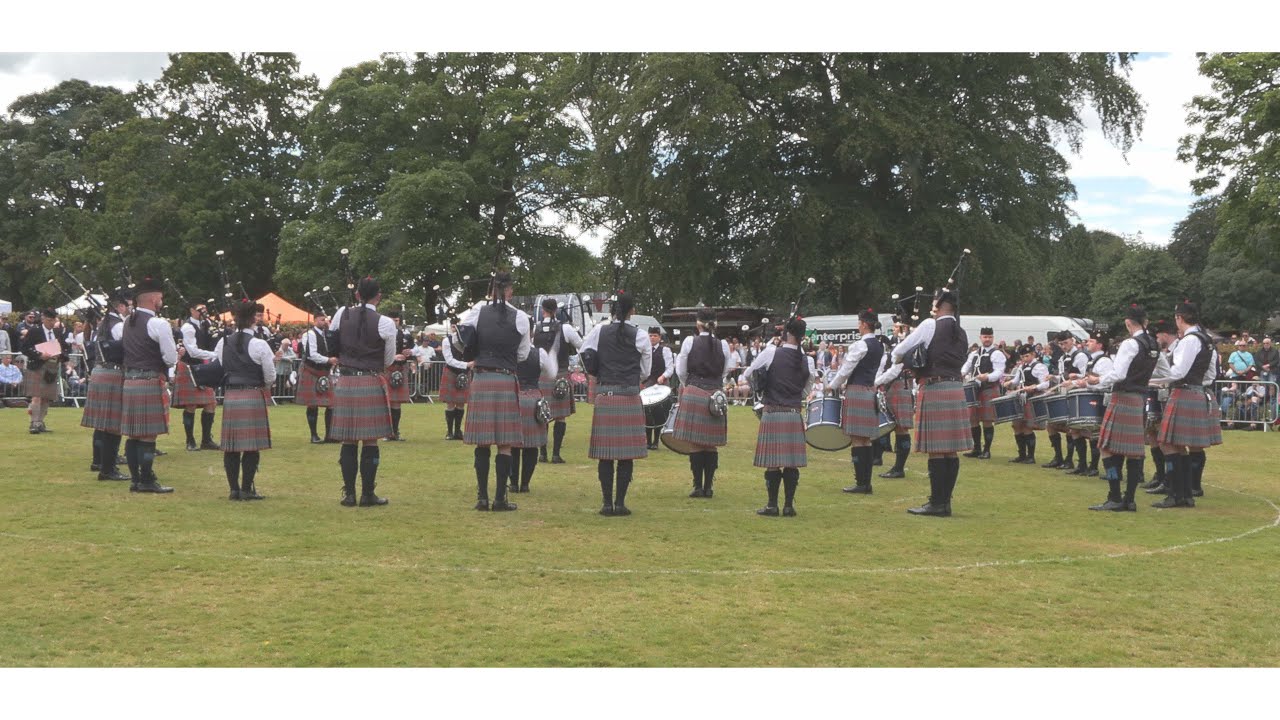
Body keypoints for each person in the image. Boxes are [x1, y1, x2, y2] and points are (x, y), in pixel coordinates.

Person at [891, 289, 971, 517]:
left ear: (940, 304)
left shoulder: (930, 324)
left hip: (935, 388)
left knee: (936, 450)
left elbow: (898, 351)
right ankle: (945, 502)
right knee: (951, 451)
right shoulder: (962, 332)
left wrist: (908, 359)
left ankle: (936, 503)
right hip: (955, 388)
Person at [457, 271, 531, 512]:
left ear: (492, 289)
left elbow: (460, 340)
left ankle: (482, 498)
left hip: (481, 378)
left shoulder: (478, 311)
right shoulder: (521, 317)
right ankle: (500, 498)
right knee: (505, 443)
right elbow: (523, 354)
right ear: (509, 290)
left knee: (482, 442)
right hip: (506, 378)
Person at [580, 294, 652, 516]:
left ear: (612, 311)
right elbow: (646, 371)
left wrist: (596, 370)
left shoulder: (599, 331)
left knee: (605, 453)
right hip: (629, 394)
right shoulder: (641, 335)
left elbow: (584, 353)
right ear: (632, 310)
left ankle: (606, 503)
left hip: (606, 394)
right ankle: (620, 503)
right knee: (626, 454)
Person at [329, 276, 396, 507]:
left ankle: (349, 495)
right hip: (370, 379)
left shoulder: (341, 314)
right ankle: (368, 494)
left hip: (346, 382)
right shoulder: (386, 322)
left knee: (348, 441)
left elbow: (332, 345)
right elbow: (388, 359)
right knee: (370, 441)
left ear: (357, 295)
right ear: (379, 296)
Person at [1152, 301, 1221, 508]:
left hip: (1184, 393)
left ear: (1179, 318)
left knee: (1166, 443)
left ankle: (1176, 493)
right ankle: (1184, 494)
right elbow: (1210, 373)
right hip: (1196, 392)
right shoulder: (1206, 339)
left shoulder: (1189, 340)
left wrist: (1152, 380)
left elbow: (1178, 372)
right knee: (1179, 445)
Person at [743, 317, 812, 516]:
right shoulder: (807, 359)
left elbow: (749, 373)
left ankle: (772, 505)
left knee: (772, 462)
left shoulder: (771, 352)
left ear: (787, 333)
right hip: (793, 413)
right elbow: (807, 389)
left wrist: (762, 387)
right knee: (791, 462)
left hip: (773, 412)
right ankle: (789, 506)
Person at [119, 277, 178, 493]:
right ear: (154, 299)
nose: (161, 301)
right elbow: (170, 358)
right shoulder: (158, 323)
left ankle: (136, 480)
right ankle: (146, 480)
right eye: (160, 298)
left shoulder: (127, 322)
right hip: (149, 380)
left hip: (130, 382)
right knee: (148, 434)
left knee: (133, 433)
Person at [215, 300, 277, 501]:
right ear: (253, 320)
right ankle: (247, 489)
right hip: (252, 394)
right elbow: (270, 376)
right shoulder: (260, 344)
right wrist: (263, 386)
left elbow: (221, 366)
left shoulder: (223, 342)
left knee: (231, 446)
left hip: (231, 395)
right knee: (252, 446)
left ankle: (233, 490)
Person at [673, 307, 731, 499]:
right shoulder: (723, 344)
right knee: (711, 443)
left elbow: (681, 370)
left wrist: (688, 386)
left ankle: (698, 486)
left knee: (696, 443)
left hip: (694, 391)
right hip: (716, 394)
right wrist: (715, 384)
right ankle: (708, 487)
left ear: (697, 323)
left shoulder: (690, 341)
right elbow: (725, 370)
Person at [826, 309, 883, 495]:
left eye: (859, 323)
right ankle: (866, 482)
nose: (858, 326)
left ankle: (861, 483)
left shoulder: (860, 345)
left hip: (857, 392)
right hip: (870, 391)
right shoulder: (879, 346)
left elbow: (845, 370)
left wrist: (832, 386)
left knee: (857, 440)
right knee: (865, 440)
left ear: (865, 324)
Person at [80, 289, 131, 481]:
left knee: (102, 422)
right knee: (113, 423)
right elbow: (128, 348)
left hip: (100, 372)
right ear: (119, 306)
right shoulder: (117, 325)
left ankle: (98, 461)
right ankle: (108, 469)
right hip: (113, 372)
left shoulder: (104, 323)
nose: (128, 309)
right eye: (127, 305)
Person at [533, 297, 584, 463]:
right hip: (560, 375)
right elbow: (580, 345)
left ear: (543, 310)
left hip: (541, 376)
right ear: (556, 310)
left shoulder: (537, 328)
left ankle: (542, 453)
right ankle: (555, 454)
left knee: (542, 414)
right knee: (560, 416)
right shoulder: (566, 328)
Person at [508, 324, 557, 494]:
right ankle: (525, 484)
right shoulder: (540, 353)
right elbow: (551, 373)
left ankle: (513, 483)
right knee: (532, 445)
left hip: (514, 397)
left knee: (512, 444)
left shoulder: (509, 352)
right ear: (531, 333)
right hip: (534, 398)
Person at [173, 301, 220, 452]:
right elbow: (192, 351)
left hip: (204, 366)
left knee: (210, 404)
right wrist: (214, 354)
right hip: (189, 366)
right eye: (200, 309)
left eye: (205, 309)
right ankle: (190, 440)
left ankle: (206, 440)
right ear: (192, 310)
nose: (203, 312)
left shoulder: (206, 324)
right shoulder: (188, 327)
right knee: (191, 405)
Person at [20, 308, 70, 434]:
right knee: (36, 397)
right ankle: (34, 423)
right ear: (43, 319)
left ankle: (41, 422)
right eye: (49, 320)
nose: (52, 323)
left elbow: (64, 348)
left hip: (52, 367)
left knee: (46, 398)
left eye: (54, 320)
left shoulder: (58, 332)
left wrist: (62, 356)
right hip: (38, 366)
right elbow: (24, 348)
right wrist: (39, 354)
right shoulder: (34, 331)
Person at [874, 327, 915, 479]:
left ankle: (899, 468)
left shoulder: (905, 348)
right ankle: (880, 458)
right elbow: (884, 369)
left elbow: (894, 371)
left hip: (900, 388)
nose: (894, 329)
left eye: (897, 327)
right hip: (890, 390)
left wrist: (875, 383)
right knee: (887, 425)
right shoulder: (891, 351)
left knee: (901, 429)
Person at [961, 326, 1006, 459]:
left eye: (990, 337)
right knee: (972, 420)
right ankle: (976, 448)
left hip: (989, 388)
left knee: (987, 420)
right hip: (974, 389)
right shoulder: (974, 354)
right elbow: (967, 366)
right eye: (985, 337)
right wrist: (962, 373)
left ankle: (987, 450)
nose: (987, 339)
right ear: (980, 337)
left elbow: (999, 372)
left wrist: (987, 377)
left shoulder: (996, 353)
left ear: (993, 338)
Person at [296, 311, 338, 443]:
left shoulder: (327, 334)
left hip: (325, 373)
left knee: (331, 404)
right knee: (313, 405)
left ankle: (329, 435)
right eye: (321, 320)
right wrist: (328, 360)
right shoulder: (309, 334)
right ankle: (314, 435)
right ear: (314, 320)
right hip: (311, 371)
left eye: (325, 320)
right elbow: (311, 354)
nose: (324, 322)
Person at [1004, 343, 1049, 463]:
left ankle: (1031, 456)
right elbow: (1016, 380)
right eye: (1022, 356)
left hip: (1032, 398)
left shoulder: (1039, 367)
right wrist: (1009, 383)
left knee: (1028, 426)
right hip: (1021, 398)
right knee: (1017, 425)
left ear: (1033, 354)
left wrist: (1034, 387)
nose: (1024, 359)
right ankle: (1022, 454)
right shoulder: (1021, 367)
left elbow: (1045, 384)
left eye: (1027, 356)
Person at [641, 326, 675, 450]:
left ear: (659, 337)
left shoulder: (665, 350)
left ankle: (655, 441)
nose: (652, 338)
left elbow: (670, 368)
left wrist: (663, 376)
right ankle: (648, 441)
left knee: (659, 413)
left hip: (661, 383)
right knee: (647, 412)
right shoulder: (645, 350)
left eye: (655, 335)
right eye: (650, 335)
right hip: (648, 383)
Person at [384, 310, 415, 441]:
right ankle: (387, 432)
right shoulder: (383, 334)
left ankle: (395, 432)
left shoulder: (405, 335)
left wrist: (410, 352)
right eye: (392, 320)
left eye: (396, 320)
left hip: (401, 368)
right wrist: (392, 356)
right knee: (387, 402)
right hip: (387, 368)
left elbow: (414, 349)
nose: (394, 323)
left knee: (397, 403)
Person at [440, 327, 473, 441]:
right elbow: (449, 360)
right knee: (450, 403)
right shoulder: (446, 341)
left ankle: (458, 431)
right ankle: (449, 432)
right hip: (451, 371)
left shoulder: (470, 340)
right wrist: (466, 365)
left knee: (461, 403)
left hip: (465, 372)